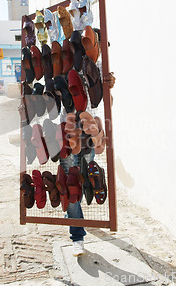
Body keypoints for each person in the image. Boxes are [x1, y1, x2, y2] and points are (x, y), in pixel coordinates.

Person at [63, 72, 115, 257]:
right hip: (67, 133)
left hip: (89, 131)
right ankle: (77, 237)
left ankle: (74, 214)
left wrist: (108, 87)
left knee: (84, 181)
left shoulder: (95, 65)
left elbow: (108, 102)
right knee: (71, 189)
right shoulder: (61, 65)